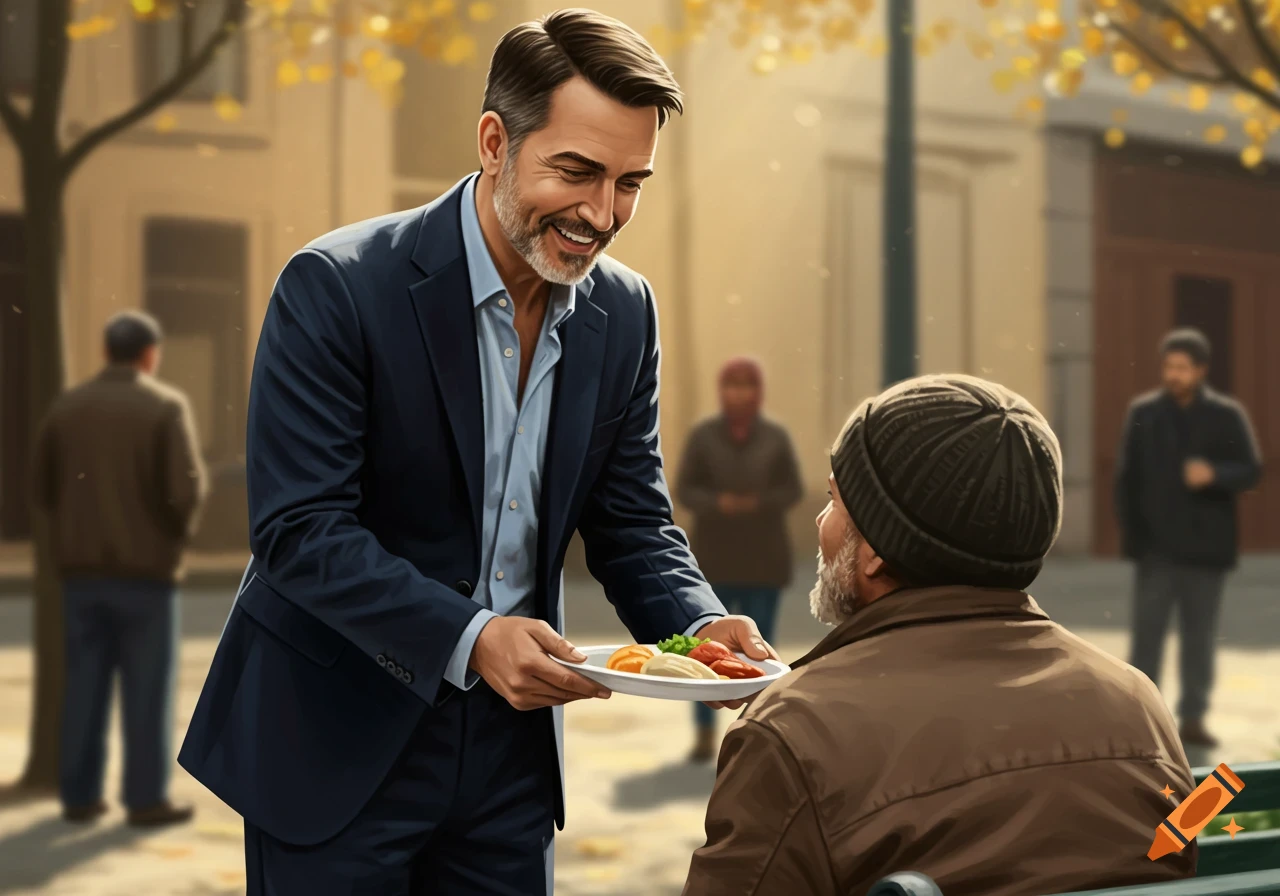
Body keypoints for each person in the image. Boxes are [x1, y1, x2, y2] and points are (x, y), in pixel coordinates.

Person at [178, 10, 775, 895]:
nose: (601, 214)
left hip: (511, 761)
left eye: (629, 183)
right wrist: (472, 635)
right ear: (495, 140)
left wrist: (701, 627)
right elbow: (300, 531)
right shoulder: (336, 288)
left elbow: (632, 520)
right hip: (337, 738)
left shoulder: (627, 311)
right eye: (575, 171)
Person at [682, 374, 1197, 896]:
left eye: (836, 501)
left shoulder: (793, 729)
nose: (821, 521)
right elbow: (1179, 857)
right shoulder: (1137, 702)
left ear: (877, 549)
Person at [31, 310, 207, 828]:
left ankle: (80, 794)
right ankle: (144, 799)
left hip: (81, 574)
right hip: (146, 574)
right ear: (149, 354)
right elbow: (185, 491)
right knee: (147, 693)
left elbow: (41, 489)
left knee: (83, 684)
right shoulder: (163, 406)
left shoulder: (66, 408)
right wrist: (170, 537)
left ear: (107, 351)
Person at [1115, 328, 1262, 748]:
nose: (1173, 375)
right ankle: (1140, 719)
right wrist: (1134, 536)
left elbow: (1251, 469)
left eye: (1182, 368)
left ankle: (1193, 718)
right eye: (1168, 367)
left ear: (1200, 370)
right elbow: (1126, 480)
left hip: (1205, 551)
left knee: (1198, 641)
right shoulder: (1144, 411)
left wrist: (1215, 474)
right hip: (1156, 550)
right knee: (1146, 640)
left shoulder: (1225, 415)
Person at [676, 356, 802, 761]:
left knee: (758, 653)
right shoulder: (704, 436)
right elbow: (685, 489)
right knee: (706, 652)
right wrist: (719, 503)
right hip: (713, 561)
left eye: (747, 385)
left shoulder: (775, 437)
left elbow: (792, 489)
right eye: (732, 384)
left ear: (758, 391)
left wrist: (757, 503)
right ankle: (702, 732)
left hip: (763, 561)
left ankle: (753, 732)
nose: (739, 393)